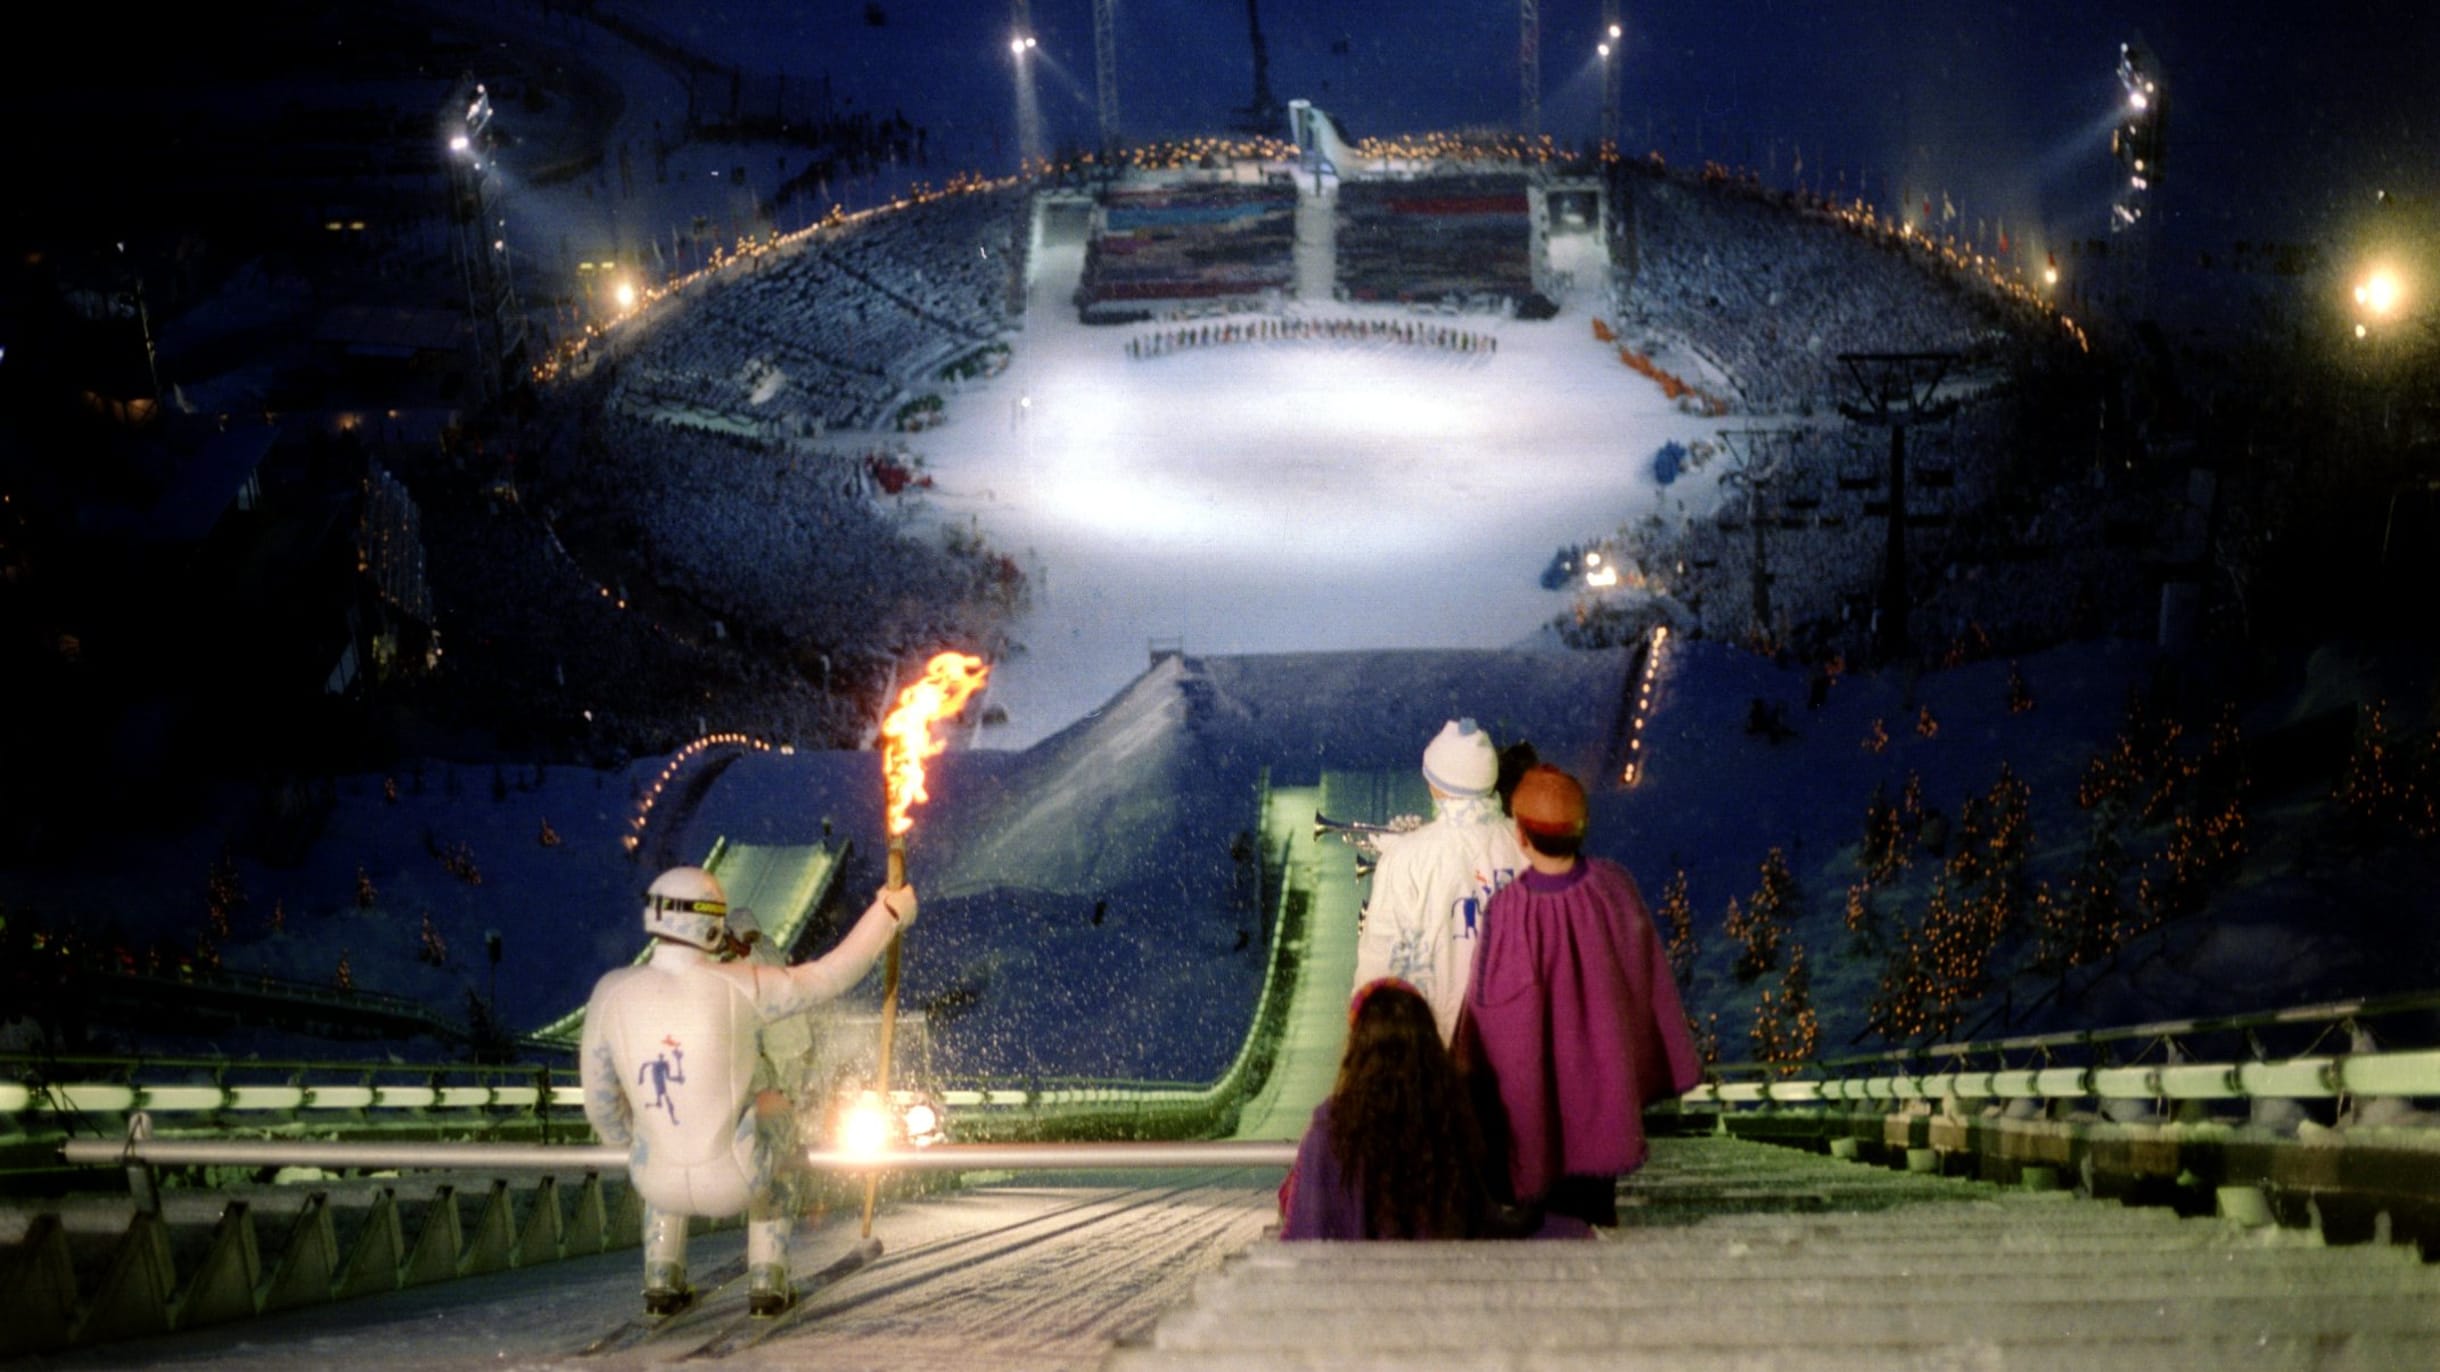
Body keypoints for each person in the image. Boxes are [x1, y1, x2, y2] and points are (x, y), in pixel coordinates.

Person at [581, 865, 916, 1317]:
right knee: (776, 1117)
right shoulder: (744, 984)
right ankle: (768, 1276)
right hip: (733, 1179)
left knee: (660, 1123)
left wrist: (634, 1141)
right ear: (713, 922)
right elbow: (831, 975)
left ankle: (661, 1275)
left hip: (654, 1181)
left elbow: (602, 1107)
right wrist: (889, 913)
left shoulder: (609, 993)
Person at [1459, 765, 1701, 1228]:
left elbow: (1492, 1015)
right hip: (1602, 1088)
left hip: (1535, 1109)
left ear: (1522, 835)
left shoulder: (1511, 909)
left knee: (1540, 1218)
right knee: (1593, 1208)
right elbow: (1644, 975)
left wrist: (1469, 1069)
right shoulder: (1614, 888)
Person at [1281, 978, 1533, 1240]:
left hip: (1357, 1278)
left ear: (1358, 1048)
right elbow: (1481, 1219)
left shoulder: (1331, 1128)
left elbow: (1306, 1230)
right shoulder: (1450, 1122)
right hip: (1436, 1277)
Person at [1353, 719, 1525, 1042]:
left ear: (1436, 784)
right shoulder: (1527, 845)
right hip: (1518, 1043)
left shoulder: (1406, 857)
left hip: (1436, 1051)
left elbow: (1379, 961)